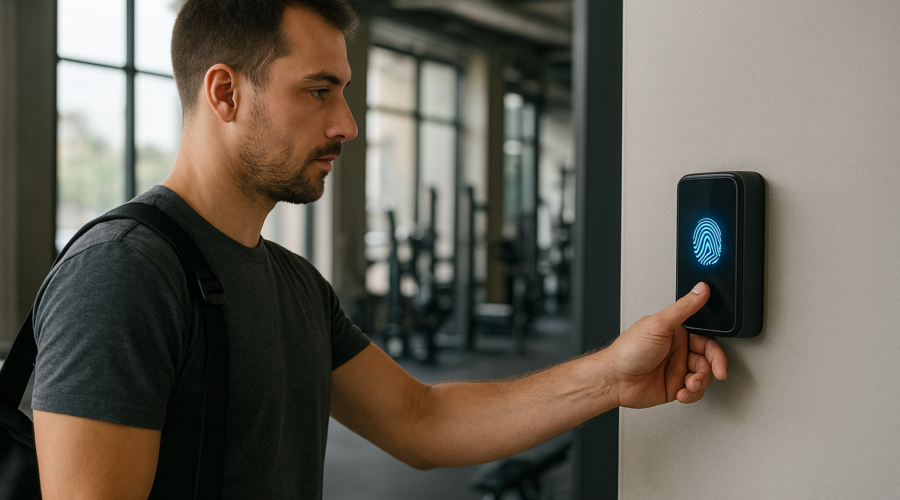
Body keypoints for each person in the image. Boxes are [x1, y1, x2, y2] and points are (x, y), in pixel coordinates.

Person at [31, 1, 728, 499]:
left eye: (346, 92)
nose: (348, 124)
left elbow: (422, 423)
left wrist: (612, 376)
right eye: (318, 91)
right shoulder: (124, 273)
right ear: (224, 92)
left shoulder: (294, 284)